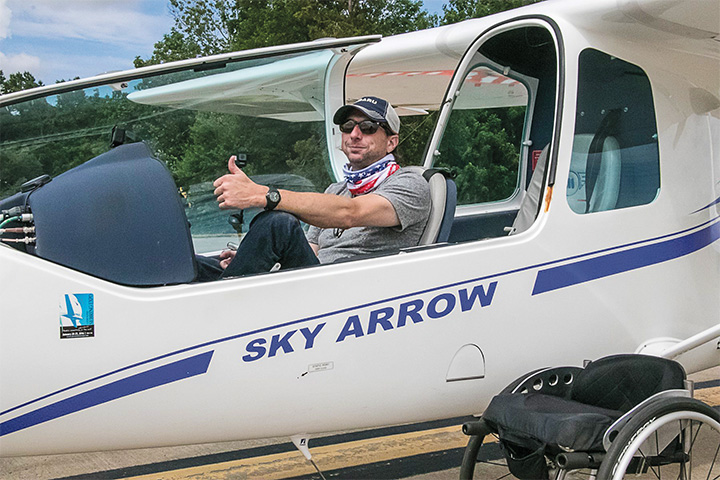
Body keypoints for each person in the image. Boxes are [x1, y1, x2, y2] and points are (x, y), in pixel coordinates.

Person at [202, 96, 430, 279]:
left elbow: (350, 213)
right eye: (348, 126)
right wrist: (256, 255)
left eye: (369, 127)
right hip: (315, 281)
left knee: (279, 223)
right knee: (197, 266)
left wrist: (264, 195)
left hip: (354, 293)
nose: (354, 134)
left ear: (392, 141)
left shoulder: (410, 183)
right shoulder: (336, 190)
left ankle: (222, 314)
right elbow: (311, 250)